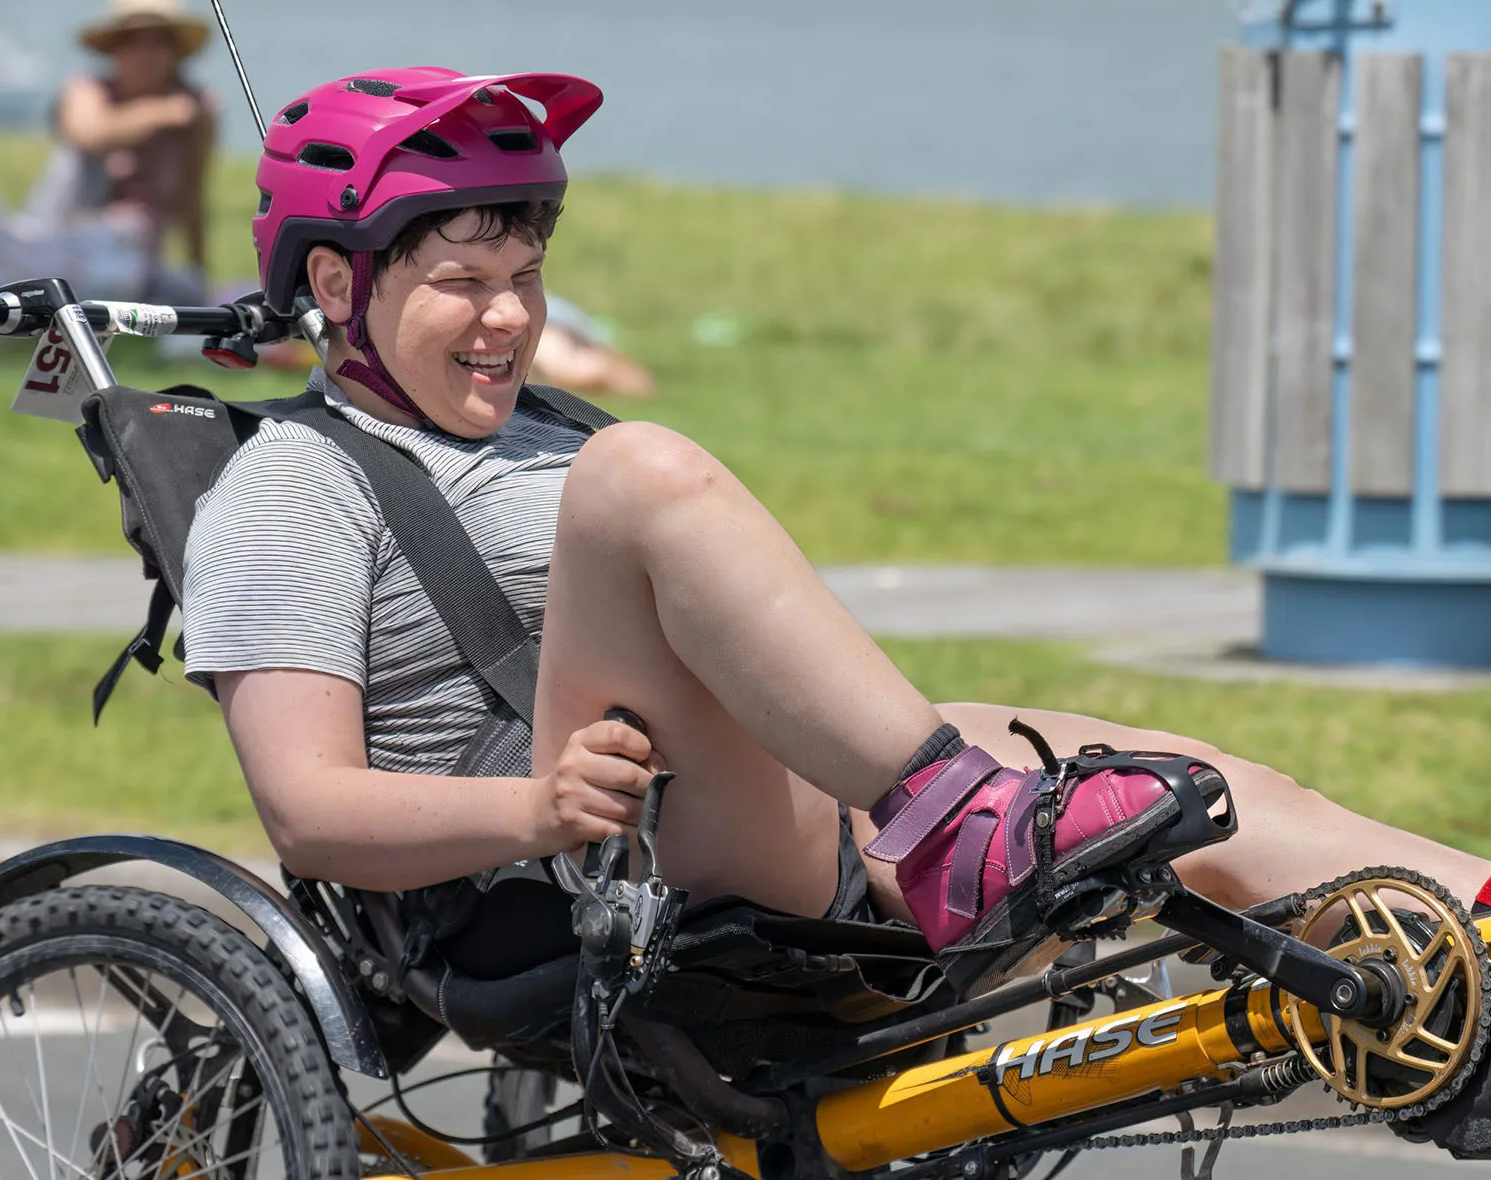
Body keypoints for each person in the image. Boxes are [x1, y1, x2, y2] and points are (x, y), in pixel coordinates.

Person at [179, 68, 1491, 1155]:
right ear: (341, 288)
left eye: (527, 276)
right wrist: (536, 809)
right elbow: (310, 811)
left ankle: (1471, 944)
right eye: (464, 284)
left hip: (766, 809)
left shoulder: (541, 435)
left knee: (1185, 792)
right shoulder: (297, 481)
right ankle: (952, 820)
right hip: (580, 882)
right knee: (639, 468)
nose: (511, 318)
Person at [0, 0, 217, 305]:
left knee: (184, 295)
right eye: (131, 42)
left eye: (157, 42)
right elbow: (88, 134)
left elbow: (193, 194)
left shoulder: (197, 108)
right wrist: (161, 112)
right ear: (114, 49)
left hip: (134, 260)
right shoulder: (87, 90)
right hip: (59, 235)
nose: (143, 54)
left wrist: (198, 270)